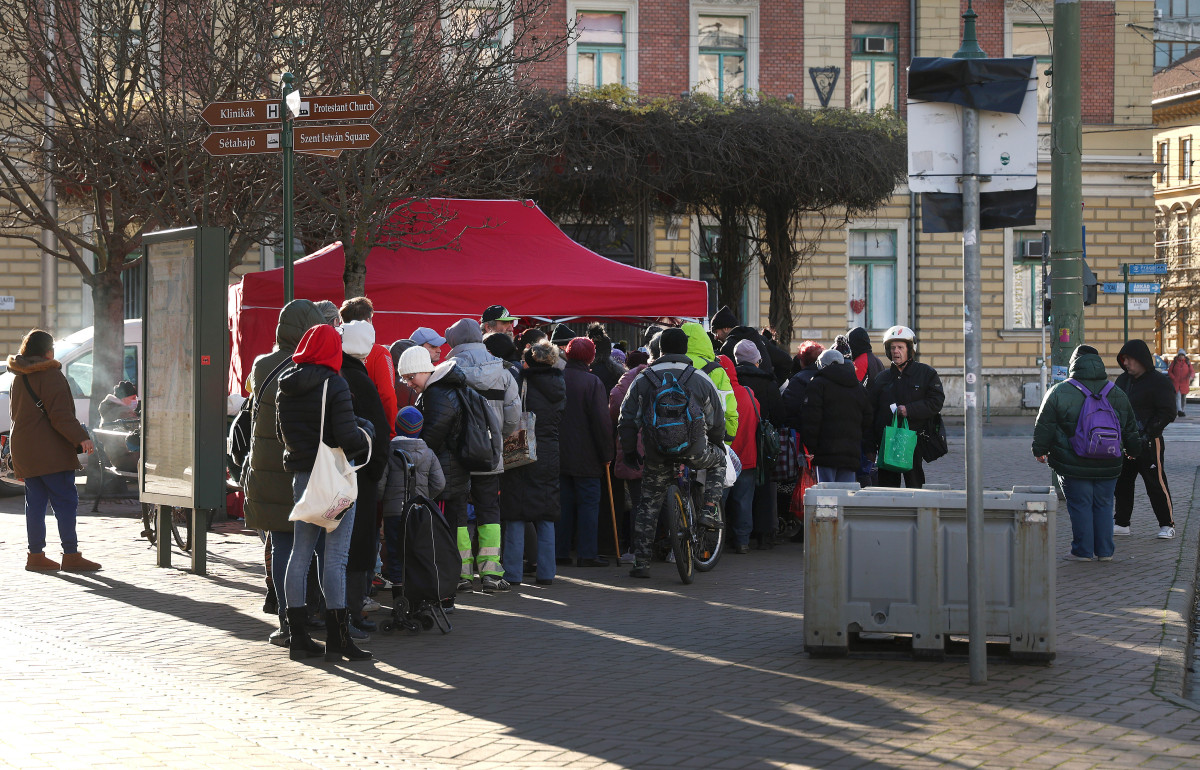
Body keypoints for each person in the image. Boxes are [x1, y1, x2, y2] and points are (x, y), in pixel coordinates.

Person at [276, 324, 374, 662]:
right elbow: (348, 436)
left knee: (299, 554)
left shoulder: (284, 383)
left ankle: (298, 636)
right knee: (335, 556)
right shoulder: (335, 384)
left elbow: (281, 434)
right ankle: (339, 636)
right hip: (333, 476)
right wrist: (367, 434)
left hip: (303, 477)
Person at [243, 299, 326, 645]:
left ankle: (287, 622)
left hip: (266, 470)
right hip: (301, 467)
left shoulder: (262, 366)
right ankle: (316, 613)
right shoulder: (310, 367)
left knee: (281, 546)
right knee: (316, 547)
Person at [618, 328, 726, 578]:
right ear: (685, 348)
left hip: (656, 452)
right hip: (695, 451)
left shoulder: (644, 379)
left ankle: (641, 563)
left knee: (648, 504)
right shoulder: (700, 378)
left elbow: (627, 419)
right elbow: (716, 419)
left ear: (658, 350)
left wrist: (630, 450)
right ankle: (709, 510)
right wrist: (717, 443)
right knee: (718, 461)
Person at [1032, 345, 1140, 561]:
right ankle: (1105, 551)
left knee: (1080, 505)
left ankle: (1082, 551)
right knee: (1104, 504)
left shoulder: (1059, 391)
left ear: (1074, 364)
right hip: (1109, 460)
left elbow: (1045, 425)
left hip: (1073, 461)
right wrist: (1133, 450)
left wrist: (1040, 450)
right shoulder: (1116, 392)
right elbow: (1130, 426)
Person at [8, 329, 99, 572]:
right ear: (49, 351)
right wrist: (82, 438)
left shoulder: (19, 377)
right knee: (65, 502)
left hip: (25, 449)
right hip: (51, 452)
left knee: (35, 504)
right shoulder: (51, 375)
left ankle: (35, 555)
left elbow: (15, 415)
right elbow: (60, 417)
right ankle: (71, 555)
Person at [445, 318, 521, 591]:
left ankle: (461, 573)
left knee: (457, 512)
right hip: (490, 452)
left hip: (457, 455)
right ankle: (491, 572)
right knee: (489, 509)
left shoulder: (446, 370)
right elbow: (514, 416)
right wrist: (497, 435)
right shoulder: (503, 371)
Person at [396, 346, 468, 608]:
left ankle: (444, 594)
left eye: (409, 377)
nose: (408, 384)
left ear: (420, 371)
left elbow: (431, 437)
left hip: (445, 475)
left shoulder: (436, 394)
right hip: (451, 472)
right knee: (445, 533)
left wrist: (412, 451)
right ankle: (444, 592)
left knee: (440, 537)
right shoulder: (439, 390)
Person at [338, 321, 391, 638]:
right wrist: (375, 469)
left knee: (333, 545)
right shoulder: (358, 379)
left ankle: (336, 608)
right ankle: (350, 610)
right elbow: (379, 430)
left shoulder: (336, 376)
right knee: (355, 545)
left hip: (333, 475)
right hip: (358, 475)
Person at [500, 339, 566, 586]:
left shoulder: (520, 380)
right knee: (546, 512)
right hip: (549, 449)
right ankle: (547, 572)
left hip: (521, 444)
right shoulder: (559, 383)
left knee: (516, 512)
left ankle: (513, 573)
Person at [557, 337, 615, 567]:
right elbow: (602, 422)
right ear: (591, 356)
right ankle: (587, 553)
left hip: (560, 452)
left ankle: (560, 552)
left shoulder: (557, 378)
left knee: (563, 504)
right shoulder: (592, 382)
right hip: (587, 456)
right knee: (589, 505)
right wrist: (607, 453)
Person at [1113, 339, 1178, 539]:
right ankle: (1122, 523)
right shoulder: (1122, 381)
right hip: (1125, 443)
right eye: (1124, 360)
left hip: (1150, 442)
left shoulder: (1159, 382)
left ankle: (1167, 524)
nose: (1126, 364)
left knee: (1155, 482)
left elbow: (1168, 412)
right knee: (1122, 483)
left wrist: (1148, 434)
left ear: (1141, 360)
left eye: (1130, 359)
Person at [381, 406, 445, 607]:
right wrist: (425, 498)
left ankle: (399, 600)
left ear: (397, 426)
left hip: (394, 513)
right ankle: (417, 599)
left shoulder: (389, 451)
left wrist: (384, 501)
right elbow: (439, 483)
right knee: (416, 553)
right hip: (418, 512)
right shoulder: (428, 453)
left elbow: (379, 485)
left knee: (395, 552)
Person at [868, 326, 944, 489]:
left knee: (915, 486)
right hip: (887, 442)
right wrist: (871, 444)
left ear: (910, 349)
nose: (896, 351)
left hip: (914, 441)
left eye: (900, 347)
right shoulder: (882, 378)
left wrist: (909, 410)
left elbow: (936, 401)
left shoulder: (926, 373)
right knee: (887, 488)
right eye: (893, 348)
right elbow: (871, 412)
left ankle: (916, 513)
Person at [802, 349, 873, 483]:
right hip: (850, 453)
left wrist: (810, 447)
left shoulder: (817, 384)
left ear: (822, 365)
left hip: (825, 453)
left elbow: (811, 419)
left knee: (826, 497)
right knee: (845, 497)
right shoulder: (858, 387)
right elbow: (868, 418)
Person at [340, 297, 398, 438]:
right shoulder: (379, 353)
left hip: (342, 426)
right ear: (368, 321)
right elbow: (387, 395)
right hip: (372, 430)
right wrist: (391, 433)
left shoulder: (333, 351)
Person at [719, 355, 759, 554]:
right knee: (743, 501)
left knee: (720, 500)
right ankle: (742, 541)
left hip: (724, 458)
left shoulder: (717, 392)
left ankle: (717, 541)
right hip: (748, 456)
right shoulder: (748, 393)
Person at [779, 340, 824, 435]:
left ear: (802, 361)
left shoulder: (798, 380)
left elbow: (788, 408)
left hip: (802, 432)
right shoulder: (826, 377)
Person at [1169, 349, 1193, 417]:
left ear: (1184, 356)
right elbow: (1170, 371)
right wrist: (1173, 378)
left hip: (1184, 383)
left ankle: (1183, 410)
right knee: (1178, 397)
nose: (1181, 357)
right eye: (1180, 355)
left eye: (1182, 355)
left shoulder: (1187, 362)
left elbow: (1192, 371)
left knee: (1183, 398)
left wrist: (1191, 377)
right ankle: (1179, 410)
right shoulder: (1174, 362)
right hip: (1176, 383)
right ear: (1178, 355)